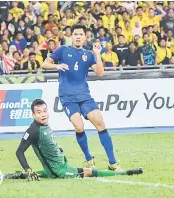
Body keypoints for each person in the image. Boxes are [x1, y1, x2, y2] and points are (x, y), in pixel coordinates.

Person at [42, 24, 121, 170]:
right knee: (79, 127)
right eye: (75, 34)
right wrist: (57, 66)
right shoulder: (63, 50)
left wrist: (97, 54)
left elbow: (100, 73)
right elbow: (45, 63)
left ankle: (113, 163)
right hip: (67, 97)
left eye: (81, 34)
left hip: (85, 96)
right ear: (71, 36)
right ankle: (88, 159)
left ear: (85, 37)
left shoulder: (89, 54)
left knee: (100, 123)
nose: (78, 37)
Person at [5, 99, 142, 181]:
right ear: (33, 114)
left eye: (45, 110)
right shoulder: (32, 131)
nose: (43, 114)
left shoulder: (44, 125)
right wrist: (28, 169)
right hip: (59, 171)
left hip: (59, 165)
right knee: (91, 172)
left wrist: (57, 149)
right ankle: (124, 173)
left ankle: (18, 176)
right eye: (39, 112)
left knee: (45, 173)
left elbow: (46, 144)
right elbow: (19, 152)